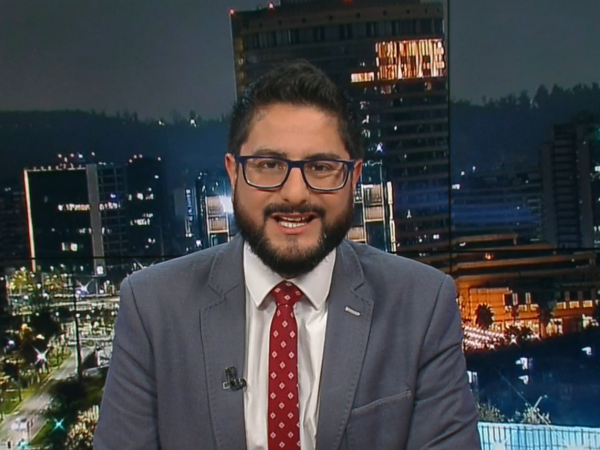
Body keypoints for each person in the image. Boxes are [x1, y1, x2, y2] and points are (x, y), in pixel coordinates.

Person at [94, 60, 481, 450]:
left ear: (354, 178)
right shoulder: (152, 308)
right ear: (233, 173)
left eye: (321, 167)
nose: (295, 193)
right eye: (269, 165)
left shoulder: (422, 305)